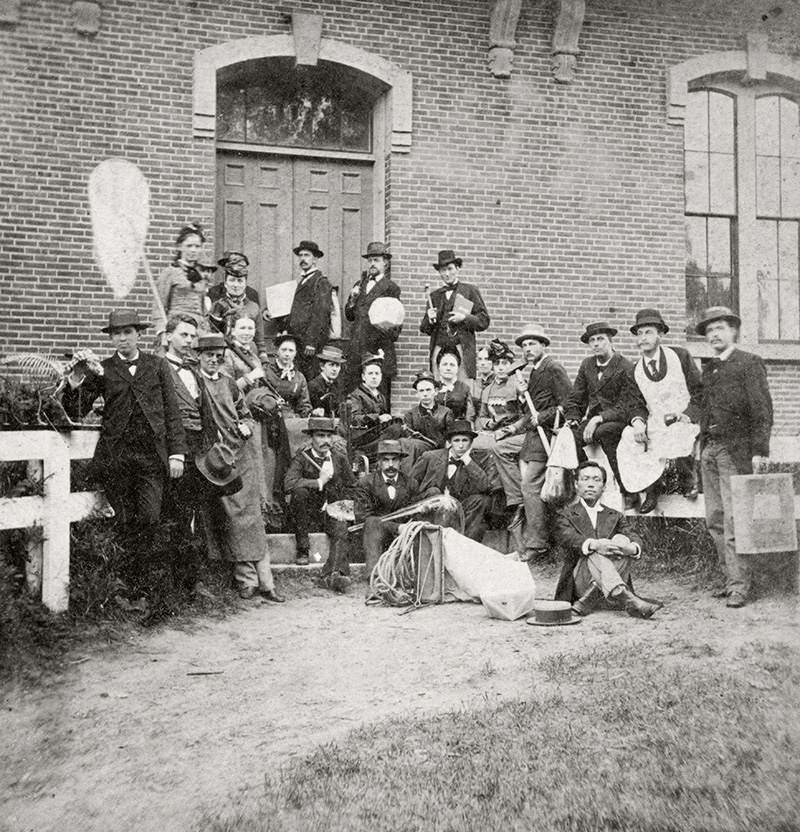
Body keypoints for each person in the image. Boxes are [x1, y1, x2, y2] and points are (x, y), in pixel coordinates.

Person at [61, 310, 186, 593]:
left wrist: (177, 453)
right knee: (124, 519)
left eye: (127, 332)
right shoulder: (103, 370)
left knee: (150, 518)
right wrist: (75, 382)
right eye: (116, 334)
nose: (122, 339)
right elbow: (76, 410)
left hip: (151, 458)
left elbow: (172, 413)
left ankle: (142, 581)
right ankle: (129, 585)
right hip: (116, 458)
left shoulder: (157, 365)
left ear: (139, 335)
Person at [193, 332, 284, 602]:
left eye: (217, 356)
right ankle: (247, 580)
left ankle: (267, 584)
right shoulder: (196, 384)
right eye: (208, 355)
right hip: (217, 460)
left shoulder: (229, 383)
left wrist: (245, 422)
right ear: (199, 356)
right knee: (232, 518)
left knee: (252, 516)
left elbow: (242, 411)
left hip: (241, 454)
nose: (213, 360)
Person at [697, 306, 773, 608]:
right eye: (709, 330)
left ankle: (740, 585)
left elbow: (762, 411)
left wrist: (760, 451)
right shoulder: (709, 367)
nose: (714, 334)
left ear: (734, 331)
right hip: (710, 450)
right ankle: (729, 579)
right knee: (714, 519)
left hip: (734, 452)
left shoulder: (749, 363)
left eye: (720, 328)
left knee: (733, 518)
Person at [554, 461, 663, 619]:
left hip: (606, 578)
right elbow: (569, 538)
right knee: (596, 547)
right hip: (580, 581)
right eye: (585, 479)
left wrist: (630, 548)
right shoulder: (565, 515)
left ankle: (588, 600)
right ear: (576, 484)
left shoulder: (615, 515)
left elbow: (632, 535)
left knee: (621, 538)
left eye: (597, 480)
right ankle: (628, 598)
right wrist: (597, 545)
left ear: (604, 487)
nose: (591, 484)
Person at [563, 321, 648, 508]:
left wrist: (599, 418)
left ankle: (628, 489)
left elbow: (627, 405)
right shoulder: (587, 365)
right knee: (568, 438)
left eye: (600, 339)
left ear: (610, 341)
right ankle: (586, 476)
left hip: (617, 419)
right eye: (592, 340)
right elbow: (576, 396)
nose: (595, 344)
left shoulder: (625, 366)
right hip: (593, 420)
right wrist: (573, 418)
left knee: (605, 432)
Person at [162, 314, 217, 594]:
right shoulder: (157, 369)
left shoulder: (194, 372)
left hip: (197, 452)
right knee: (174, 515)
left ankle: (192, 581)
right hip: (173, 450)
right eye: (183, 335)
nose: (189, 341)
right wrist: (175, 452)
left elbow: (204, 413)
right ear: (167, 336)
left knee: (193, 513)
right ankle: (175, 583)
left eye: (192, 336)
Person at [628, 308, 703, 512]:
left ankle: (689, 482)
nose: (644, 338)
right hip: (656, 419)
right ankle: (652, 489)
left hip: (684, 415)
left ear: (660, 334)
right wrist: (638, 422)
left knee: (679, 431)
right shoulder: (636, 369)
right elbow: (636, 404)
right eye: (640, 333)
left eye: (649, 332)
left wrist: (688, 415)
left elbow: (699, 390)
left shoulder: (679, 356)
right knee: (634, 437)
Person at [511, 325, 573, 562]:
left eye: (532, 344)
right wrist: (521, 394)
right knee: (532, 487)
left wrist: (543, 417)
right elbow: (531, 408)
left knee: (530, 486)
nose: (527, 349)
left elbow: (568, 403)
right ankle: (545, 541)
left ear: (543, 345)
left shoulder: (553, 367)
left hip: (547, 436)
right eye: (524, 345)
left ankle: (538, 545)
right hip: (534, 437)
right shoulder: (535, 371)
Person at [222, 311, 283, 517]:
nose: (247, 333)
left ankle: (261, 510)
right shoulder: (228, 354)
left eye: (250, 328)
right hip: (237, 417)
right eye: (242, 328)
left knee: (260, 461)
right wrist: (249, 378)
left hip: (256, 417)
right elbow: (225, 390)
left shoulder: (254, 355)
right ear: (232, 330)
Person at [284, 417, 357, 583]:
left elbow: (353, 486)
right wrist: (318, 482)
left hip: (331, 513)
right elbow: (289, 483)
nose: (325, 440)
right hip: (306, 516)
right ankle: (303, 549)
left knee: (340, 527)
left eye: (328, 436)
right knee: (300, 492)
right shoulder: (302, 458)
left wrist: (344, 505)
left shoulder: (339, 459)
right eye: (320, 436)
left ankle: (335, 573)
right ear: (311, 438)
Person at [411, 419, 493, 541]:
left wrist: (467, 461)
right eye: (456, 441)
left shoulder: (474, 463)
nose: (461, 445)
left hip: (458, 513)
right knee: (434, 492)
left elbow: (484, 487)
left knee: (481, 500)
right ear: (449, 442)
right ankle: (434, 540)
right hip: (430, 511)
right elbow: (410, 485)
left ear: (471, 443)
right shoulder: (430, 457)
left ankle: (463, 545)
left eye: (465, 441)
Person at [420, 249, 490, 382]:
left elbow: (484, 320)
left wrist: (465, 318)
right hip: (439, 348)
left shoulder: (470, 291)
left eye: (450, 269)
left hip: (462, 347)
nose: (447, 273)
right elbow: (425, 328)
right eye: (443, 270)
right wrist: (430, 319)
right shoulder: (434, 296)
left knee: (463, 387)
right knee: (437, 385)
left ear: (457, 269)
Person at [343, 241, 402, 399]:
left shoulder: (391, 287)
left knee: (378, 397)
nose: (372, 264)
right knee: (355, 396)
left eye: (376, 260)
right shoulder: (360, 284)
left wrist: (388, 330)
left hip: (377, 349)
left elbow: (396, 320)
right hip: (357, 349)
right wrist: (352, 300)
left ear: (385, 263)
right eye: (370, 261)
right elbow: (349, 316)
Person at [354, 440, 420, 577]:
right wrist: (396, 527)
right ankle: (375, 581)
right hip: (373, 542)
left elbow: (413, 516)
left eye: (395, 460)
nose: (391, 465)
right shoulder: (366, 483)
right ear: (378, 461)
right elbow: (363, 519)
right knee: (372, 522)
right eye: (386, 460)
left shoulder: (411, 484)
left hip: (401, 541)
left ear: (401, 461)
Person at [154, 222, 214, 342]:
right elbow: (158, 306)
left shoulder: (201, 274)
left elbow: (202, 308)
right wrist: (162, 333)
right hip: (177, 327)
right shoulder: (170, 272)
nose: (193, 250)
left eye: (197, 246)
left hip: (198, 330)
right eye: (189, 246)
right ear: (180, 246)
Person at [208, 252, 267, 360]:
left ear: (245, 283)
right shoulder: (217, 305)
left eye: (240, 281)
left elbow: (260, 339)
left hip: (248, 357)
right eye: (232, 280)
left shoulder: (253, 307)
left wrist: (264, 360)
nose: (235, 285)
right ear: (225, 283)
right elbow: (211, 335)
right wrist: (217, 317)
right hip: (222, 357)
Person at [287, 240, 333, 378]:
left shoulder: (321, 282)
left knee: (309, 378)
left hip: (309, 345)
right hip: (298, 341)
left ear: (315, 259)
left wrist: (312, 343)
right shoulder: (302, 281)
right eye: (300, 255)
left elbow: (321, 314)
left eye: (306, 255)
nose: (302, 259)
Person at [402, 370, 454, 467]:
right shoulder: (410, 414)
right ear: (416, 394)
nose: (425, 394)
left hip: (438, 454)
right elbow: (409, 441)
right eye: (421, 391)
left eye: (428, 390)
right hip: (416, 455)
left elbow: (450, 439)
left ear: (436, 391)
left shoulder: (446, 413)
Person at [346, 353, 394, 452]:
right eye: (370, 373)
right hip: (363, 436)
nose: (374, 377)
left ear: (381, 377)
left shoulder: (380, 396)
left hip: (378, 434)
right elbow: (353, 418)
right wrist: (378, 418)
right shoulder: (357, 395)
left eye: (377, 374)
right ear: (363, 377)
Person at [435, 347, 475, 422]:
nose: (448, 368)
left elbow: (470, 415)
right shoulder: (433, 387)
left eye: (452, 365)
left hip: (457, 429)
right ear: (439, 367)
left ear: (457, 368)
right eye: (445, 364)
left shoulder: (464, 389)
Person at [308, 345, 346, 418]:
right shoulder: (314, 385)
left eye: (337, 365)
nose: (334, 369)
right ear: (322, 366)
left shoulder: (337, 385)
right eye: (331, 365)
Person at [470, 345, 494, 414]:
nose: (483, 363)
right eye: (480, 359)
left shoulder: (498, 382)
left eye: (486, 359)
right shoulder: (474, 385)